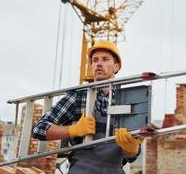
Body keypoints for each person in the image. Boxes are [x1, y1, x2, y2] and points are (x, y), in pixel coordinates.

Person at [32, 40, 143, 174]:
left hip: (115, 169)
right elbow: (39, 129)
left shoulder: (127, 101)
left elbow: (132, 156)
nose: (99, 63)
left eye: (105, 59)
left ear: (116, 66)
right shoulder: (79, 95)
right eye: (95, 60)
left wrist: (131, 148)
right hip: (82, 169)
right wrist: (73, 129)